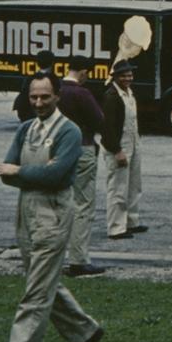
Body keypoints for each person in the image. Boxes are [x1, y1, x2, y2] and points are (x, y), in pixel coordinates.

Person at [0, 72, 104, 342]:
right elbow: (7, 173)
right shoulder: (26, 129)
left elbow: (55, 177)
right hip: (26, 211)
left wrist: (21, 171)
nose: (38, 102)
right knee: (43, 281)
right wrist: (29, 171)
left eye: (44, 96)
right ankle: (86, 332)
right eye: (33, 97)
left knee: (36, 292)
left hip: (53, 213)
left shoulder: (69, 131)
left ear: (57, 96)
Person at [60, 56, 107, 277]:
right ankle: (79, 259)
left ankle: (58, 253)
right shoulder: (81, 93)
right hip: (83, 147)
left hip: (59, 151)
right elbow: (99, 120)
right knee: (83, 205)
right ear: (83, 72)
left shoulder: (57, 91)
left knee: (62, 203)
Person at [102, 59, 146, 240]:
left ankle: (131, 221)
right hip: (119, 145)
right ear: (116, 77)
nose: (128, 78)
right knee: (118, 187)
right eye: (124, 76)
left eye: (130, 75)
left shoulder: (129, 93)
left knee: (134, 184)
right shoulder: (112, 96)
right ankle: (116, 227)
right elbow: (108, 128)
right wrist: (116, 150)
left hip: (133, 142)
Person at [13, 50, 56, 122]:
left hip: (26, 111)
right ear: (52, 63)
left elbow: (23, 96)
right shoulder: (53, 79)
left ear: (37, 63)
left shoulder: (30, 78)